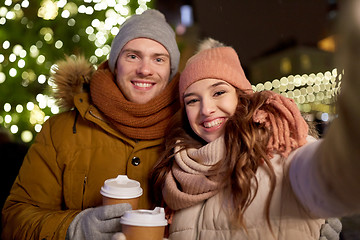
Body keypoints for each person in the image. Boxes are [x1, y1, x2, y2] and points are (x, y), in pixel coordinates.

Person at [150, 1, 360, 237]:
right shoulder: (176, 176)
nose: (206, 109)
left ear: (241, 98)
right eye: (192, 100)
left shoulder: (280, 152)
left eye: (219, 92)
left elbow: (339, 177)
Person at [1, 9, 180, 240]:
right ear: (116, 64)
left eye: (158, 59)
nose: (145, 70)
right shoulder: (61, 131)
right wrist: (72, 227)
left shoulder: (189, 132)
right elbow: (14, 220)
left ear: (170, 70)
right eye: (132, 56)